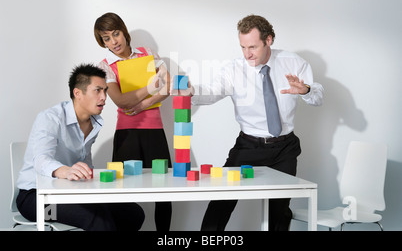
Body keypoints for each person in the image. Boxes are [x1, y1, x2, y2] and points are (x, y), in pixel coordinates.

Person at [189, 14, 324, 231]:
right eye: (242, 47)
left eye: (252, 47)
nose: (247, 54)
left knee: (279, 210)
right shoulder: (234, 68)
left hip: (284, 148)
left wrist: (306, 90)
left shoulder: (294, 63)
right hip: (248, 146)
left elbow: (317, 97)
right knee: (222, 200)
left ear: (268, 40)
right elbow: (212, 92)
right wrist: (190, 90)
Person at [16, 64, 145, 231]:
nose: (104, 97)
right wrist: (66, 171)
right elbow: (40, 160)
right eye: (97, 91)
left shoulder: (95, 123)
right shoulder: (50, 118)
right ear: (77, 93)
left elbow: (84, 161)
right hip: (35, 199)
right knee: (98, 220)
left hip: (69, 192)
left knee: (133, 213)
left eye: (105, 90)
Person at [94, 12, 172, 231]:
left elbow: (167, 87)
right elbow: (120, 100)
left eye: (116, 34)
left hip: (154, 130)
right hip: (127, 133)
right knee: (120, 191)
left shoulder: (148, 54)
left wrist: (142, 105)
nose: (113, 42)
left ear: (124, 31)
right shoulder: (105, 65)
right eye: (106, 38)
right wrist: (150, 88)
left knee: (165, 190)